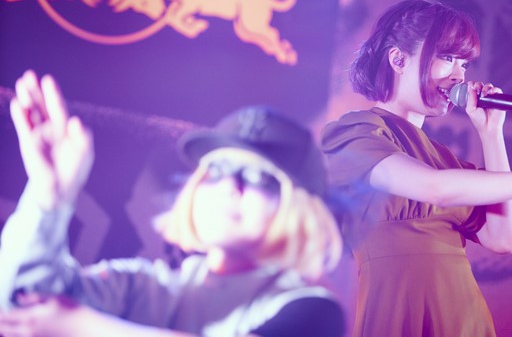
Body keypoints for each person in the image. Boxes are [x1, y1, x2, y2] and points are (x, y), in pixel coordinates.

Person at [320, 0, 512, 337]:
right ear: (398, 59)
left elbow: (504, 238)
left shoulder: (446, 161)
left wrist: (491, 134)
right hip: (398, 316)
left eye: (464, 64)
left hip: (464, 320)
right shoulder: (354, 133)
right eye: (447, 58)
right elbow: (433, 188)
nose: (459, 75)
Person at [0, 70, 345, 337]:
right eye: (216, 170)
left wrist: (81, 326)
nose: (229, 186)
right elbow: (21, 307)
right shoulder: (140, 286)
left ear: (302, 208)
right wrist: (49, 196)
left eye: (256, 177)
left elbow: (59, 321)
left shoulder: (313, 310)